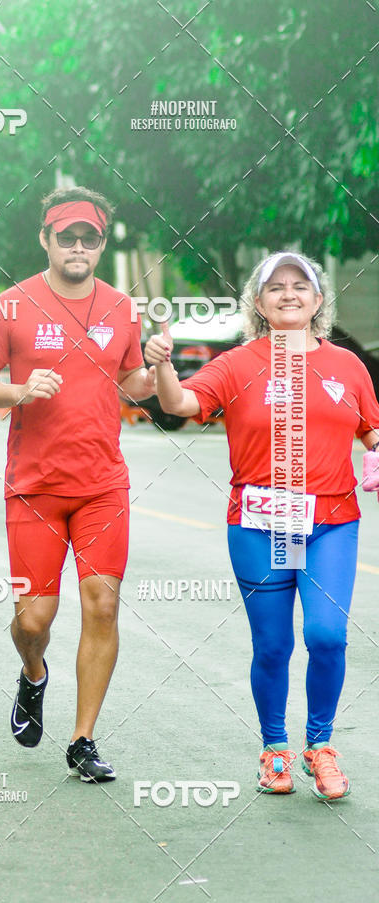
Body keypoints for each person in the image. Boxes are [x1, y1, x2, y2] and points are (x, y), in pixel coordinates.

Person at [145, 251, 379, 800]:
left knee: (327, 635)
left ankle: (319, 746)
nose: (289, 293)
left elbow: (372, 430)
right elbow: (178, 403)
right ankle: (274, 748)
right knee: (271, 645)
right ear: (259, 302)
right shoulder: (236, 364)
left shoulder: (347, 366)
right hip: (259, 524)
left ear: (319, 301)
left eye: (302, 285)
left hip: (330, 522)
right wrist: (160, 363)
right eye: (276, 286)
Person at [0, 187, 154, 782]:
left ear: (100, 244)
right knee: (33, 621)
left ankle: (83, 739)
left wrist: (161, 367)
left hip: (102, 484)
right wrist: (18, 391)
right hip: (34, 487)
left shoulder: (123, 308)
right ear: (45, 239)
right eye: (65, 236)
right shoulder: (12, 305)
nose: (77, 247)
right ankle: (33, 674)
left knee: (102, 603)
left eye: (88, 238)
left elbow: (133, 383)